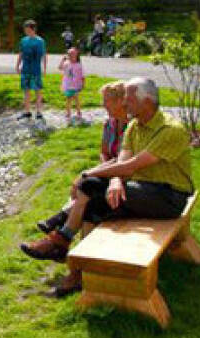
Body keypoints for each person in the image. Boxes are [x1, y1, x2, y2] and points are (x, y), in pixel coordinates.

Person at [20, 78, 193, 279]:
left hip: (170, 197)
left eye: (128, 99)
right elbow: (122, 161)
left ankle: (63, 247)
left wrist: (88, 173)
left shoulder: (170, 130)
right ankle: (79, 269)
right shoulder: (134, 126)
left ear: (146, 101)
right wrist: (115, 181)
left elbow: (131, 166)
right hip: (143, 188)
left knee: (89, 187)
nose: (125, 103)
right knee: (90, 201)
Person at [31, 81, 129, 296]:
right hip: (109, 173)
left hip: (125, 178)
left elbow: (126, 162)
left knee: (87, 193)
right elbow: (106, 154)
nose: (103, 105)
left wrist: (90, 174)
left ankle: (63, 240)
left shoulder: (133, 127)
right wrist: (96, 170)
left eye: (107, 101)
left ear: (122, 101)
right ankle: (70, 255)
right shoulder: (110, 124)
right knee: (86, 192)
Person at [15, 20, 47, 123]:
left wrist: (44, 68)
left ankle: (38, 112)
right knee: (26, 91)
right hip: (25, 69)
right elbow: (21, 53)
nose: (26, 32)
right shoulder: (23, 40)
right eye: (25, 30)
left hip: (36, 70)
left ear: (33, 29)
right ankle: (27, 111)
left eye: (28, 30)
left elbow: (44, 55)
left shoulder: (40, 41)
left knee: (37, 90)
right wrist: (17, 65)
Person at [59, 48, 86, 126]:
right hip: (68, 84)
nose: (71, 56)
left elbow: (82, 75)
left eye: (73, 54)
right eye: (69, 54)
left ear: (77, 55)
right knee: (68, 98)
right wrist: (62, 60)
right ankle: (68, 112)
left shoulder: (79, 65)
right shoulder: (66, 63)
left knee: (76, 98)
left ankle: (78, 111)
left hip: (76, 84)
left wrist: (83, 83)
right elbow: (60, 68)